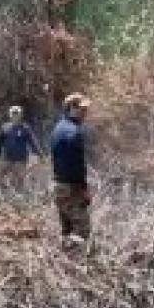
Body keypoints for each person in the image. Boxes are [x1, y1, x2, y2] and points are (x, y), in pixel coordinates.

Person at [49, 93, 92, 251]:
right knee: (82, 230)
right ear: (70, 109)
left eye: (85, 110)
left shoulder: (58, 128)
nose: (84, 113)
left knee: (66, 229)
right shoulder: (74, 132)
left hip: (57, 185)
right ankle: (74, 261)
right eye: (81, 109)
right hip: (70, 188)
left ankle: (62, 261)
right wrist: (84, 189)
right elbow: (75, 166)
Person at [0, 105, 42, 193]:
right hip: (6, 158)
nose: (15, 116)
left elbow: (32, 143)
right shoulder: (5, 127)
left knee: (18, 181)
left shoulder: (25, 129)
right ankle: (3, 194)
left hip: (20, 160)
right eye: (13, 114)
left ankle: (18, 201)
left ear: (20, 115)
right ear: (10, 115)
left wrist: (39, 154)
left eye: (17, 114)